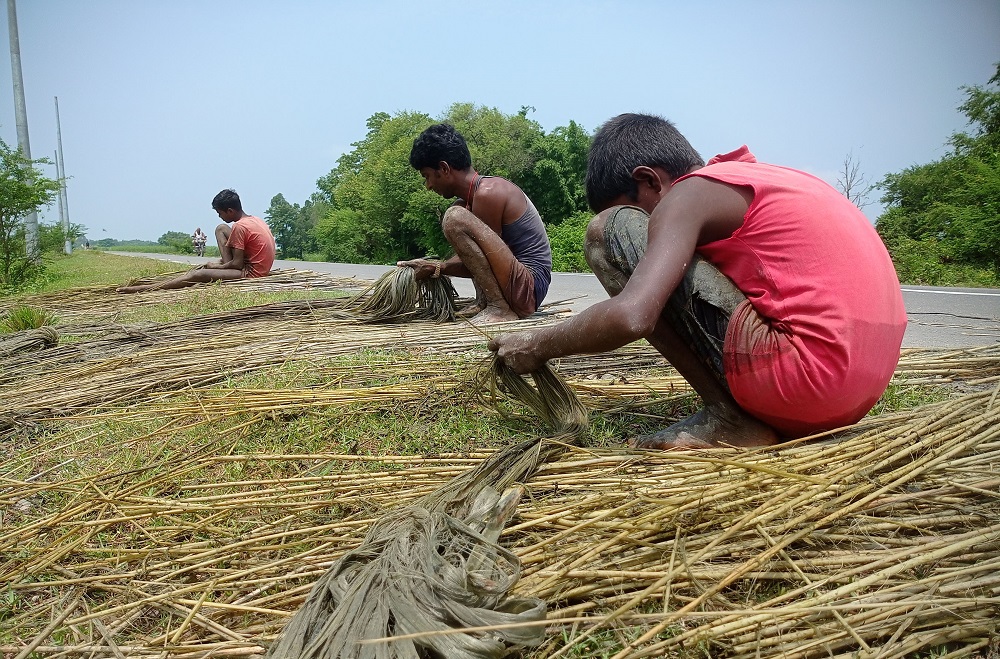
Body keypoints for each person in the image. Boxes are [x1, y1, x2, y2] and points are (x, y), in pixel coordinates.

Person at [489, 113, 908, 449]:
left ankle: (729, 418)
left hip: (806, 382)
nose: (650, 226)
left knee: (607, 230)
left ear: (650, 180)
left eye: (643, 212)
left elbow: (633, 316)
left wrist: (536, 344)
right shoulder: (764, 178)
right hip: (860, 391)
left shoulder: (689, 194)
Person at [397, 124, 552, 324]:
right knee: (457, 212)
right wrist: (435, 267)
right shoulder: (469, 202)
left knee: (454, 217)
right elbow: (476, 259)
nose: (428, 186)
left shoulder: (488, 193)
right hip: (518, 284)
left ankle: (499, 308)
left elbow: (486, 262)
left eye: (427, 176)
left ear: (444, 169)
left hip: (528, 288)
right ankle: (485, 302)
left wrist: (438, 267)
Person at [117, 189, 276, 293]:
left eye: (220, 213)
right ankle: (223, 269)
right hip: (255, 265)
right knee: (220, 228)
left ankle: (146, 288)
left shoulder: (239, 227)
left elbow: (237, 265)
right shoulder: (254, 220)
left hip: (250, 274)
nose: (219, 216)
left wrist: (215, 266)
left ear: (230, 211)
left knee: (197, 274)